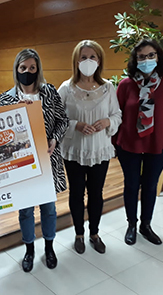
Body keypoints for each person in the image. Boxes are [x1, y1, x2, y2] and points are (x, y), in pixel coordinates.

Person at [0, 48, 69, 272]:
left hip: (47, 159)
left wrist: (55, 139)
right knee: (26, 210)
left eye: (32, 67)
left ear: (37, 68)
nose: (27, 72)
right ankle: (29, 249)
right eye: (23, 68)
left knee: (49, 208)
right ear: (16, 69)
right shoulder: (6, 98)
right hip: (21, 164)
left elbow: (62, 120)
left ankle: (49, 247)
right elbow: (2, 135)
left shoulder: (49, 91)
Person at [58, 40, 122, 254]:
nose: (88, 61)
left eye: (92, 57)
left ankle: (94, 233)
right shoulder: (66, 88)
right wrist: (76, 125)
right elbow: (56, 119)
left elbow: (117, 115)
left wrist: (107, 122)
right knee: (76, 193)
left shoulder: (108, 87)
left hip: (100, 149)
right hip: (74, 150)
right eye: (83, 57)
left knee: (96, 193)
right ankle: (78, 234)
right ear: (76, 61)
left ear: (99, 60)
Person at [114, 39, 163, 246]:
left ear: (158, 57)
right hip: (129, 145)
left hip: (158, 144)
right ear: (135, 59)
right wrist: (114, 143)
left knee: (150, 186)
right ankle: (131, 224)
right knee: (132, 185)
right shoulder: (125, 85)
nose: (146, 60)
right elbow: (117, 115)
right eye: (141, 56)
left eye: (151, 55)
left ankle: (146, 225)